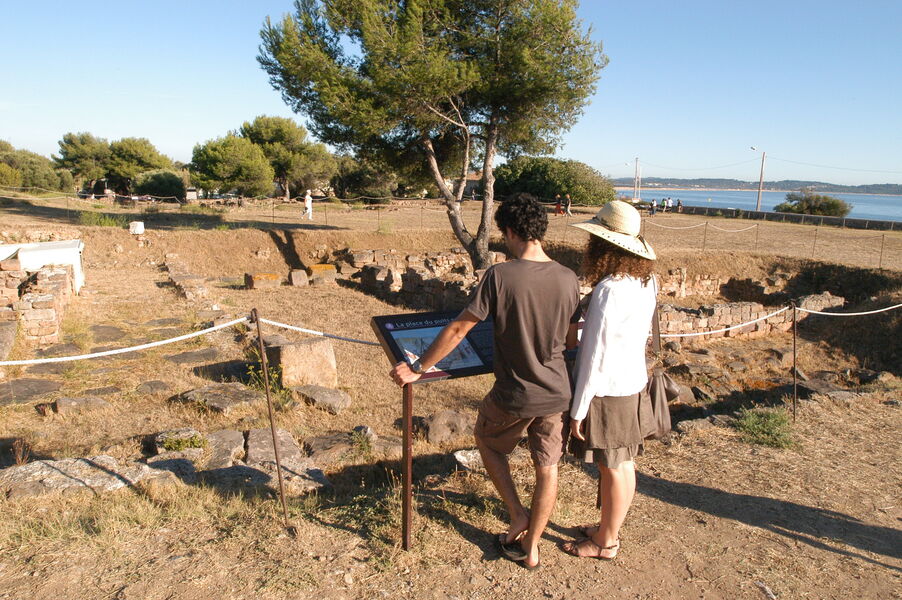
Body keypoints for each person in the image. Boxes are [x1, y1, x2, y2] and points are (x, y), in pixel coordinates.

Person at [390, 194, 580, 570]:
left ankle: (517, 514)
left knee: (487, 441)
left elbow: (460, 328)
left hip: (515, 392)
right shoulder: (568, 277)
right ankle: (532, 546)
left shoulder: (500, 276)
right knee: (548, 467)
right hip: (558, 392)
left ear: (509, 231)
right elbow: (571, 340)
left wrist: (420, 367)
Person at [559, 200, 657, 560]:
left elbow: (594, 355)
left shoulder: (610, 290)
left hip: (608, 391)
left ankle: (606, 541)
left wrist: (578, 409)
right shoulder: (646, 281)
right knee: (624, 465)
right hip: (631, 383)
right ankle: (607, 529)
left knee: (612, 467)